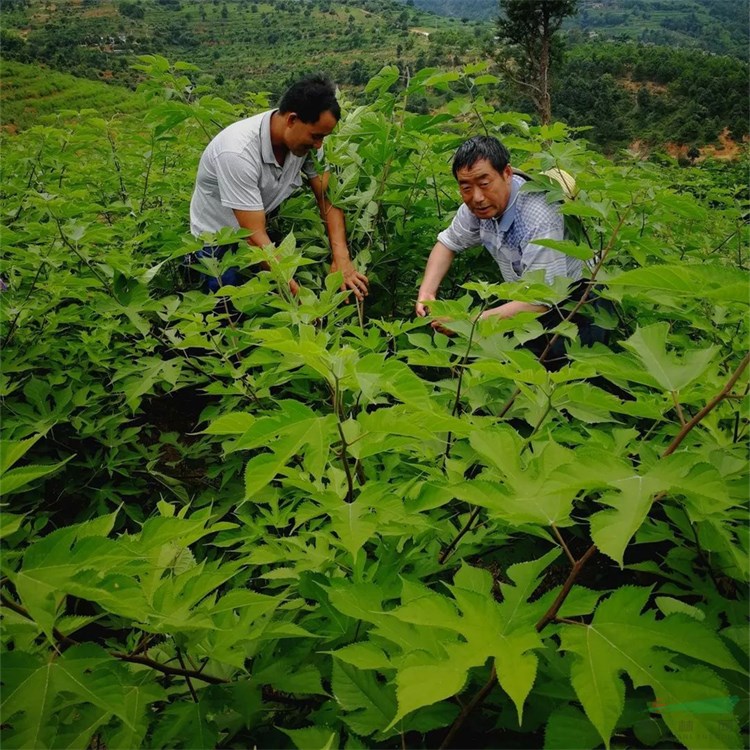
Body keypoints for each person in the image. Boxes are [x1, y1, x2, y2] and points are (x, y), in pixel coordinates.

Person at [415, 135, 600, 367]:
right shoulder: (476, 208)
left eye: (484, 183)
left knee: (569, 379)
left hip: (575, 305)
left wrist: (468, 323)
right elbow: (447, 244)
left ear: (507, 174)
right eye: (466, 187)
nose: (477, 197)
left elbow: (542, 300)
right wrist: (427, 293)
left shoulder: (538, 217)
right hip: (525, 299)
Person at [189, 73, 368, 300]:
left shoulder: (308, 145)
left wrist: (341, 256)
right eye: (315, 136)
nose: (319, 145)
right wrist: (300, 298)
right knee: (226, 309)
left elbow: (327, 197)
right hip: (217, 240)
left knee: (263, 301)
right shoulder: (237, 153)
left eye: (323, 137)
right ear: (292, 120)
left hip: (258, 227)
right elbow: (253, 235)